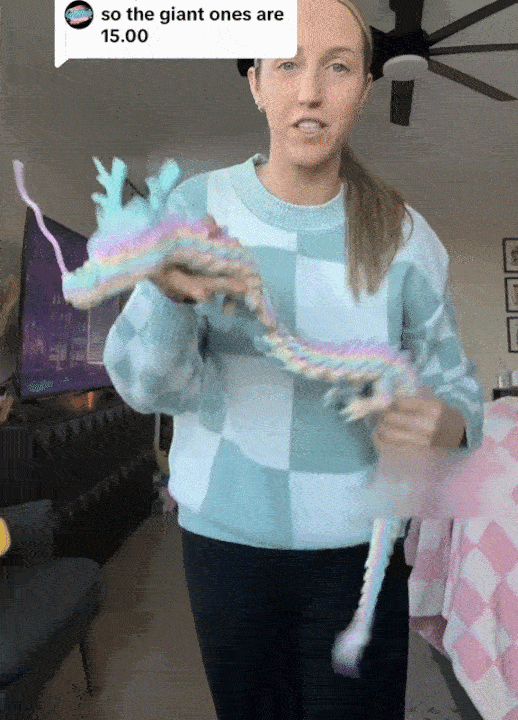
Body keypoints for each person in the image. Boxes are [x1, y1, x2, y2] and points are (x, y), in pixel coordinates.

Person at [102, 0, 484, 717]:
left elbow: (459, 389)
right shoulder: (196, 206)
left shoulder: (406, 236)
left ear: (364, 89)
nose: (310, 92)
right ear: (256, 82)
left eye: (337, 67)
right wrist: (167, 298)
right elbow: (148, 389)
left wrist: (447, 423)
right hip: (225, 549)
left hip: (362, 555)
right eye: (287, 65)